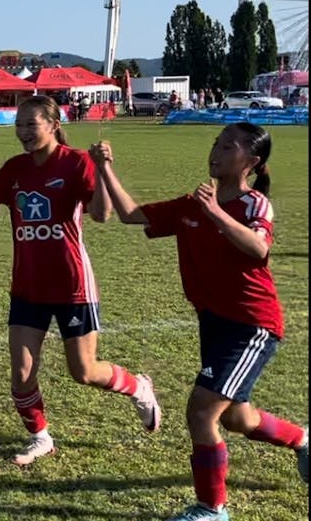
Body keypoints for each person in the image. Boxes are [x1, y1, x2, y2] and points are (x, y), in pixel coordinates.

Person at [90, 124, 309, 521]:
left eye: (229, 147)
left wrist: (215, 213)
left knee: (201, 412)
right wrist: (104, 167)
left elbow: (259, 247)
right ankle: (304, 440)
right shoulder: (193, 203)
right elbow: (130, 215)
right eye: (216, 143)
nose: (217, 151)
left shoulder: (253, 203)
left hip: (252, 324)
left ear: (252, 162)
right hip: (215, 323)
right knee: (236, 417)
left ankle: (212, 509)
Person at [0, 94, 161, 465]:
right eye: (19, 125)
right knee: (21, 373)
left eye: (31, 124)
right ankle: (40, 436)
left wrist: (102, 167)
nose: (23, 132)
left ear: (53, 124)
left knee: (84, 371)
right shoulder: (15, 167)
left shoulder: (76, 163)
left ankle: (139, 388)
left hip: (72, 284)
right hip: (28, 286)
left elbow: (102, 214)